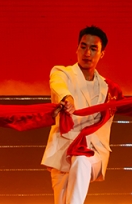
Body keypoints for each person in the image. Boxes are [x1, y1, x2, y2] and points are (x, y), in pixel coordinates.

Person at [43, 26, 117, 204]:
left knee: (81, 159)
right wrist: (67, 98)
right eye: (83, 47)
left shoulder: (108, 88)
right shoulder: (62, 73)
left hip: (93, 152)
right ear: (77, 49)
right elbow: (58, 86)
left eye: (93, 49)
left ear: (102, 54)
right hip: (62, 153)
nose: (87, 53)